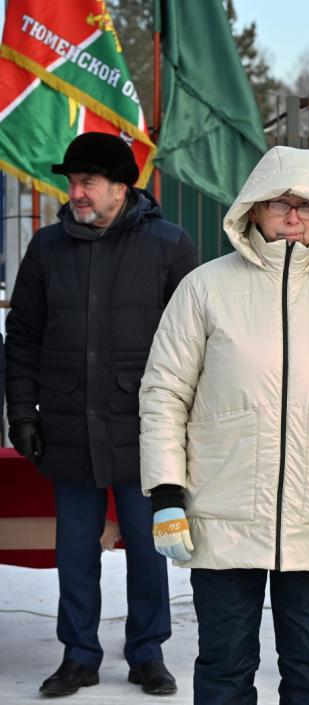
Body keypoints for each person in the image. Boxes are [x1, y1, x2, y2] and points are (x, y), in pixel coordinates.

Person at [138, 145, 309, 704]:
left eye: (306, 204)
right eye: (279, 202)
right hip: (220, 519)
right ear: (252, 210)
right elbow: (164, 394)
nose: (293, 215)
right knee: (225, 665)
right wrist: (166, 493)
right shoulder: (205, 288)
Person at [5, 132, 198, 698]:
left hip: (145, 425)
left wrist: (186, 426)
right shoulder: (46, 248)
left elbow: (194, 344)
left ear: (121, 186)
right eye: (72, 182)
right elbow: (22, 337)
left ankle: (147, 652)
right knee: (76, 546)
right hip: (66, 420)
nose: (76, 192)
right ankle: (79, 653)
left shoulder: (170, 245)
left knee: (147, 543)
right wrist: (23, 413)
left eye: (87, 182)